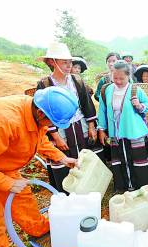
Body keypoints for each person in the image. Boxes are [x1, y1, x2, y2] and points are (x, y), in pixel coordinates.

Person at [0, 86, 78, 247]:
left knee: (23, 198)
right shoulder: (1, 122)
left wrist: (61, 158)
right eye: (52, 122)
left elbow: (38, 137)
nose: (53, 126)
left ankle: (38, 228)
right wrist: (5, 183)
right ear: (42, 114)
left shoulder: (35, 111)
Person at [37, 42, 102, 193]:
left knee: (86, 154)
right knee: (63, 156)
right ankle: (68, 191)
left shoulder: (76, 81)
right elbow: (44, 112)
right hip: (59, 128)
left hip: (80, 124)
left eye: (70, 62)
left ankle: (89, 188)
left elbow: (86, 103)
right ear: (53, 62)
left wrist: (91, 125)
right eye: (64, 62)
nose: (68, 65)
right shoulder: (45, 84)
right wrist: (56, 136)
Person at [97, 60, 148, 191]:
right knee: (120, 160)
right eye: (115, 78)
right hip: (116, 133)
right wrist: (101, 129)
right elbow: (102, 110)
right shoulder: (107, 90)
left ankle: (141, 188)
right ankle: (124, 186)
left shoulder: (135, 89)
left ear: (128, 76)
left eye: (122, 78)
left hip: (134, 131)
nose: (118, 81)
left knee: (138, 161)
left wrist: (139, 105)